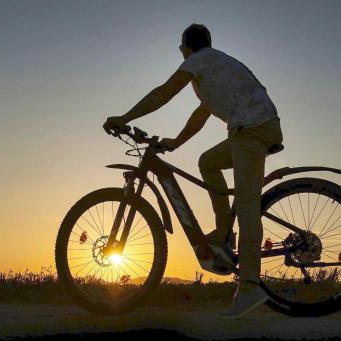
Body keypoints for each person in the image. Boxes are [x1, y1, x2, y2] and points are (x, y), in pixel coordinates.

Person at [103, 23, 283, 319]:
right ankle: (224, 233)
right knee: (207, 162)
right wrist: (175, 142)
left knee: (248, 205)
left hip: (251, 131)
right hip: (253, 128)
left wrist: (124, 117)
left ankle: (250, 285)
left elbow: (163, 93)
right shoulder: (215, 66)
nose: (181, 53)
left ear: (186, 47)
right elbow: (201, 115)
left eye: (180, 48)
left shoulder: (199, 60)